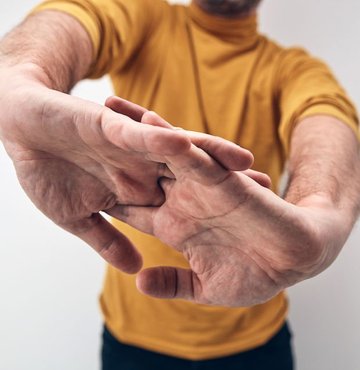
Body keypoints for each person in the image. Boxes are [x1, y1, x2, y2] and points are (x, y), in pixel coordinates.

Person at [0, 0, 359, 369]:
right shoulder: (147, 18)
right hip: (133, 343)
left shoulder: (291, 69)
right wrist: (20, 76)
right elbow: (78, 17)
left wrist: (319, 209)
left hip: (256, 342)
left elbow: (326, 117)